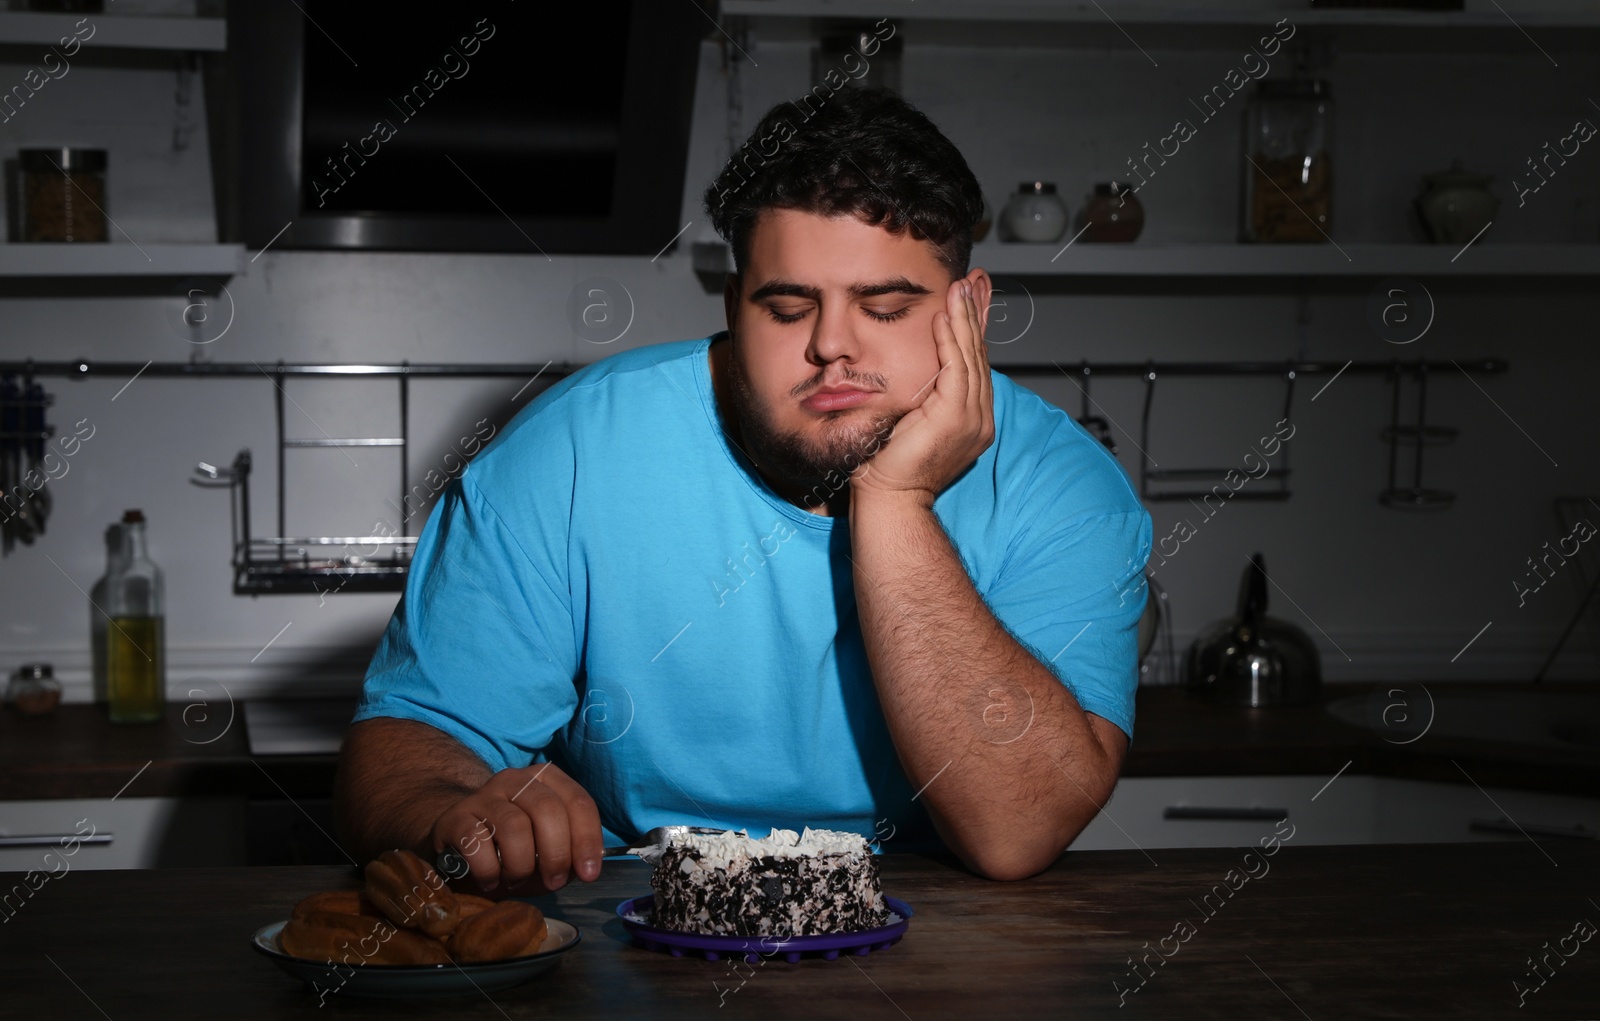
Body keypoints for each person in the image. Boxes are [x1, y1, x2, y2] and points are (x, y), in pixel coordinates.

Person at [335, 86, 1151, 895]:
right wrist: (451, 808)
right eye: (789, 307)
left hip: (938, 940)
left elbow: (1018, 829)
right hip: (634, 922)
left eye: (886, 306)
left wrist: (896, 499)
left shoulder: (1064, 485)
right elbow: (412, 739)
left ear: (970, 310)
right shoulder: (568, 453)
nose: (833, 346)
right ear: (734, 307)